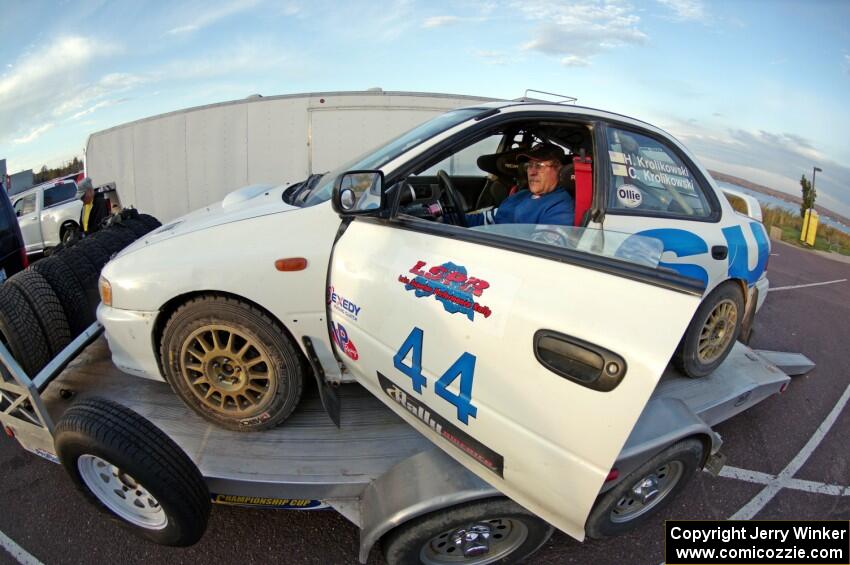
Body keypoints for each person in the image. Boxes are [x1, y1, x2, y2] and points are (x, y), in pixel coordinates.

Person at [465, 143, 574, 227]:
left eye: (539, 166)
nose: (532, 172)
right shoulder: (520, 195)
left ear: (560, 170)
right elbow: (485, 220)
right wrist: (449, 220)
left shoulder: (560, 207)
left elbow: (541, 250)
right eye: (529, 165)